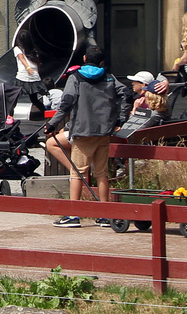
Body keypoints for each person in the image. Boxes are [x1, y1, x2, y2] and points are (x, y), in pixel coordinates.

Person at [48, 45, 129, 227]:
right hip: (104, 131)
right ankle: (104, 214)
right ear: (101, 61)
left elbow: (66, 104)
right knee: (101, 174)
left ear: (84, 59)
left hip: (83, 131)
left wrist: (53, 124)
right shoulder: (109, 77)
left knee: (77, 173)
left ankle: (73, 215)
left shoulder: (75, 77)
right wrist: (120, 120)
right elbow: (126, 93)